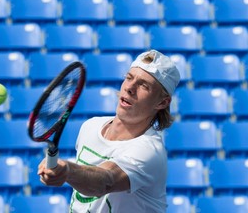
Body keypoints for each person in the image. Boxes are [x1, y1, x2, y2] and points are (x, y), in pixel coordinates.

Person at [38, 49, 180, 213]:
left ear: (162, 102)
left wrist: (68, 171)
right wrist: (61, 170)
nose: (130, 88)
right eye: (129, 78)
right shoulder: (90, 126)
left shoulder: (149, 151)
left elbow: (106, 181)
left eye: (143, 85)